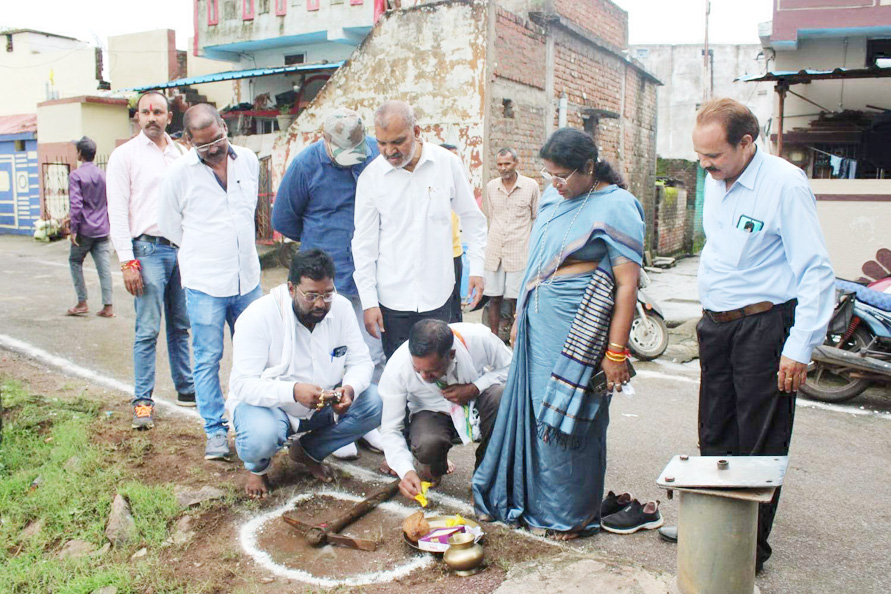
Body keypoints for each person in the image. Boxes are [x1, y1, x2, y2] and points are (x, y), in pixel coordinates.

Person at [658, 98, 835, 572]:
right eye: (699, 156)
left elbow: (816, 271)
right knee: (715, 432)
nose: (705, 166)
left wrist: (798, 347)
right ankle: (711, 527)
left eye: (713, 156)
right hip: (717, 327)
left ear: (746, 142)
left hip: (764, 326)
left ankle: (747, 550)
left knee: (758, 440)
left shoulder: (783, 185)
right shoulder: (719, 179)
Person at [473, 128, 645, 540]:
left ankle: (569, 514)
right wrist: (519, 319)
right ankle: (533, 503)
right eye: (550, 175)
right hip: (539, 318)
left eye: (563, 176)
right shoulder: (553, 198)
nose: (555, 184)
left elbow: (627, 285)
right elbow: (535, 264)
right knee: (535, 414)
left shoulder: (619, 206)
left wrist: (616, 353)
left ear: (589, 167)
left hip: (580, 327)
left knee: (572, 421)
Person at [271, 108, 387, 460]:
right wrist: (322, 239)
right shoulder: (306, 165)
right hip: (328, 270)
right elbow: (284, 219)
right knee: (329, 350)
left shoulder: (372, 151)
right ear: (325, 142)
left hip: (368, 268)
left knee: (371, 350)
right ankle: (336, 423)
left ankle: (369, 423)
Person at [227, 249, 383, 498]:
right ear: (291, 289)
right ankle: (257, 468)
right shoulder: (258, 317)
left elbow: (361, 362)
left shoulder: (340, 309)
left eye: (327, 294)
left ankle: (308, 452)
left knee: (377, 402)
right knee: (260, 436)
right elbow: (242, 384)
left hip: (322, 405)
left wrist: (350, 388)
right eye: (311, 295)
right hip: (273, 408)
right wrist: (292, 391)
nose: (321, 303)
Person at [158, 104, 263, 461]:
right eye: (204, 145)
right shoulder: (177, 175)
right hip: (204, 283)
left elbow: (248, 213)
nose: (215, 148)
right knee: (207, 358)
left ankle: (254, 425)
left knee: (257, 354)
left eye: (218, 138)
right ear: (188, 141)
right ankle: (215, 431)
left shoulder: (249, 160)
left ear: (224, 126)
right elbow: (170, 227)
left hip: (247, 278)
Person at [352, 100, 488, 359]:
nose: (389, 151)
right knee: (400, 375)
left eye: (398, 142)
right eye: (381, 143)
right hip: (392, 300)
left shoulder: (446, 164)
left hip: (439, 293)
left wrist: (477, 269)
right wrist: (369, 301)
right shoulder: (371, 178)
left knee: (441, 371)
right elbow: (363, 244)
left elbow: (473, 219)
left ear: (416, 131)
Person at [106, 91, 195, 430]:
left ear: (168, 117)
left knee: (180, 326)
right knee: (147, 330)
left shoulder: (181, 154)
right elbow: (116, 211)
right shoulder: (124, 156)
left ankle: (186, 389)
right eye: (146, 112)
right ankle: (143, 402)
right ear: (137, 117)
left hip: (179, 250)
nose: (152, 117)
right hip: (147, 251)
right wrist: (127, 262)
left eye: (158, 111)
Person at [379, 319, 511, 500]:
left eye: (432, 371)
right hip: (431, 411)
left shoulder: (478, 338)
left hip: (476, 403)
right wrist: (406, 470)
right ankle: (435, 465)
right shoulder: (397, 367)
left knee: (500, 396)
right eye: (418, 370)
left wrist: (475, 387)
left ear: (451, 355)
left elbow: (514, 367)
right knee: (427, 444)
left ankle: (485, 476)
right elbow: (390, 428)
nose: (425, 377)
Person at [483, 147, 540, 338]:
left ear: (516, 163)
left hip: (519, 250)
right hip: (495, 250)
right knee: (494, 297)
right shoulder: (491, 187)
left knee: (517, 297)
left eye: (507, 164)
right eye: (499, 164)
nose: (503, 168)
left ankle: (518, 336)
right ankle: (493, 337)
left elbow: (536, 217)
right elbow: (490, 216)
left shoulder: (530, 186)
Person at [66, 136, 114, 319]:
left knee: (75, 261)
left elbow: (76, 205)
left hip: (85, 230)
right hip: (102, 228)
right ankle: (108, 306)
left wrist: (74, 229)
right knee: (104, 267)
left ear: (80, 153)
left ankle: (82, 302)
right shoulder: (103, 174)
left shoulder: (76, 175)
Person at [439, 143, 468, 323]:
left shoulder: (459, 185)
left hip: (455, 252)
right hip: (437, 256)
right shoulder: (432, 184)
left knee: (455, 305)